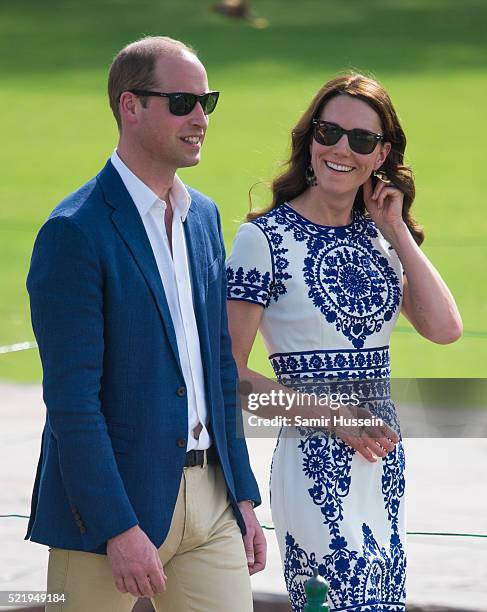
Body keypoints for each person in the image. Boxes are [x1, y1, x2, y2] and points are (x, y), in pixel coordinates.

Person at [25, 35, 265, 612]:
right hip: (110, 515)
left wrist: (244, 497)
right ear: (130, 107)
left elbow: (218, 372)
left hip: (212, 503)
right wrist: (116, 527)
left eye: (206, 102)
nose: (200, 118)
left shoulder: (203, 217)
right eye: (182, 103)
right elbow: (71, 401)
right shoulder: (74, 232)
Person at [226, 73, 462, 611]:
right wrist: (334, 417)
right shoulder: (261, 240)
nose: (341, 150)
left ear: (381, 155)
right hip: (314, 468)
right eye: (328, 132)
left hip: (382, 464)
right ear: (309, 139)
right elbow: (230, 372)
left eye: (361, 140)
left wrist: (398, 230)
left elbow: (445, 329)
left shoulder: (379, 236)